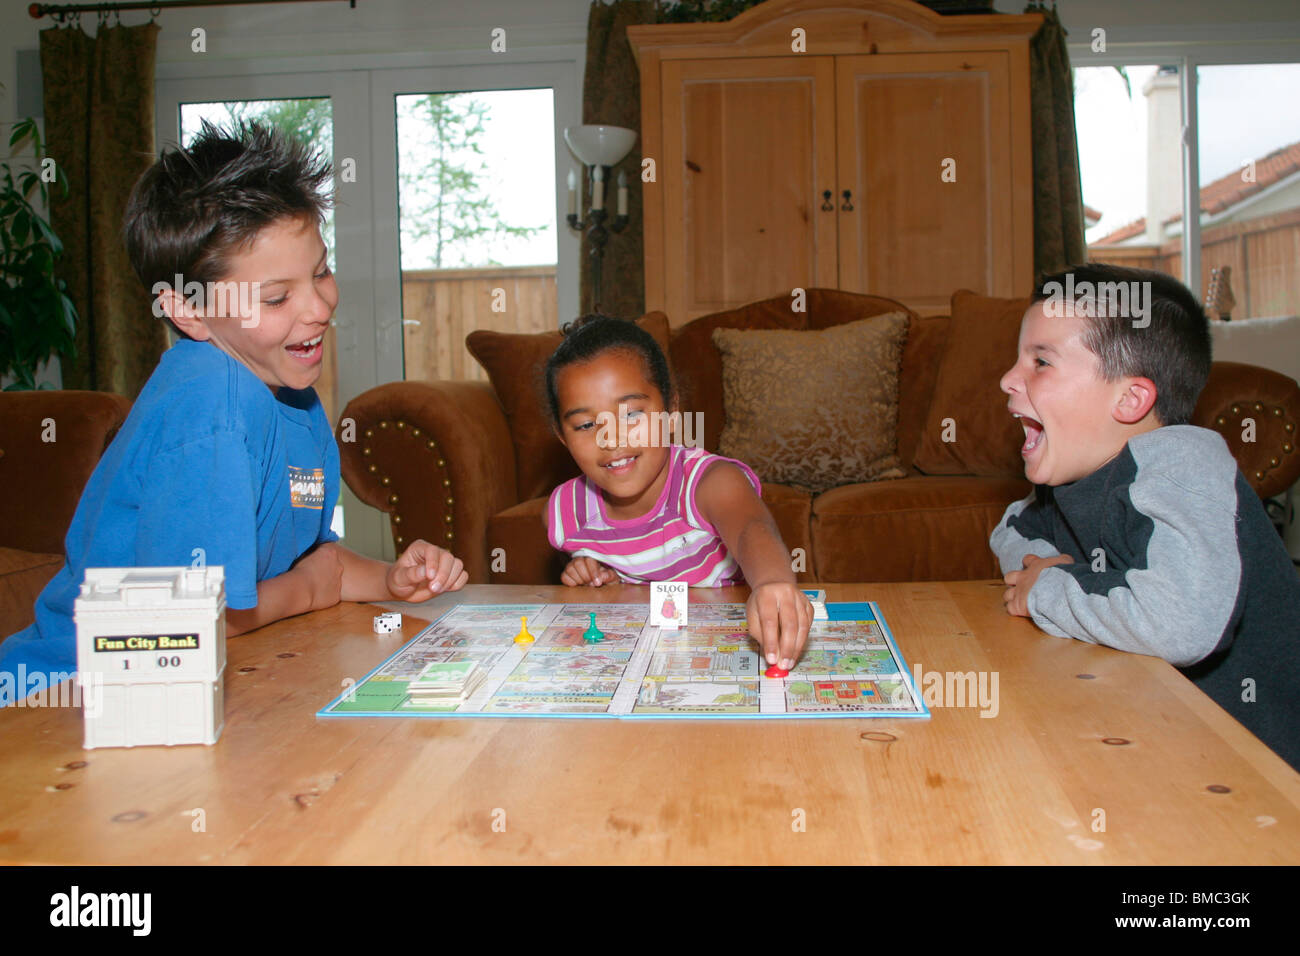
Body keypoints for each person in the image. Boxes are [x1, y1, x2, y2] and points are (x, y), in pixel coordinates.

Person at [0, 121, 467, 697]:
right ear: (188, 311)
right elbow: (182, 626)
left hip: (192, 681)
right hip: (62, 697)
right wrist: (310, 589)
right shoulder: (211, 403)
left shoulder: (291, 394)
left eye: (320, 270)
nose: (319, 306)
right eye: (276, 297)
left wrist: (390, 579)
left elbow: (312, 563)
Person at [990, 263, 1300, 769]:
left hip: (1262, 769)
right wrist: (1045, 567)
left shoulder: (1184, 467)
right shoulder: (1076, 476)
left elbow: (1177, 626)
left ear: (1131, 399)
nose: (1007, 378)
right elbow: (1010, 529)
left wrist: (1048, 587)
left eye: (1040, 362)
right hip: (1162, 738)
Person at [543, 314, 811, 671]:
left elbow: (751, 527)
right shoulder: (565, 513)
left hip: (723, 657)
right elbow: (600, 556)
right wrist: (590, 569)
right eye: (586, 425)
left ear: (671, 412)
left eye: (632, 414)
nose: (611, 438)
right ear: (563, 437)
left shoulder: (709, 482)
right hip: (641, 666)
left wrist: (773, 582)